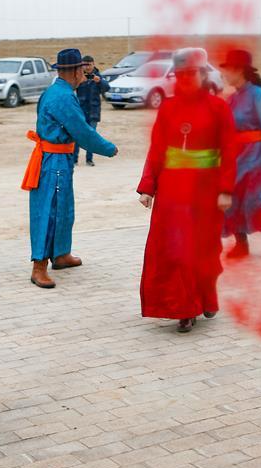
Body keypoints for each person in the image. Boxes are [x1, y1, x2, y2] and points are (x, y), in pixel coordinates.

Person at [137, 48, 237, 333]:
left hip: (205, 192)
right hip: (172, 192)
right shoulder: (168, 107)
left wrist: (226, 189)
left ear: (203, 74)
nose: (186, 79)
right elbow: (157, 150)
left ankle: (205, 296)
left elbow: (229, 152)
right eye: (181, 74)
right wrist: (148, 187)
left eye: (191, 73)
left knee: (203, 250)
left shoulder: (219, 108)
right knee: (176, 249)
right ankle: (185, 308)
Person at [22, 48, 118, 289]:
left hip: (60, 160)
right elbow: (82, 131)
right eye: (82, 71)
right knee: (50, 210)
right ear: (74, 71)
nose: (85, 76)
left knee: (64, 208)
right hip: (53, 161)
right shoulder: (62, 97)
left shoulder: (58, 91)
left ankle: (61, 254)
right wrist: (107, 148)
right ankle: (39, 267)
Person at [219, 49, 261, 258]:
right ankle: (241, 244)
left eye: (228, 70)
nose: (225, 74)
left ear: (239, 71)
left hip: (257, 156)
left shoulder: (259, 96)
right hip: (236, 156)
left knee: (255, 200)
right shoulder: (231, 99)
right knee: (232, 199)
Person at [74, 55, 109, 166]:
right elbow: (71, 88)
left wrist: (99, 82)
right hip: (80, 112)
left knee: (91, 136)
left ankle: (89, 159)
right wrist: (79, 81)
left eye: (89, 64)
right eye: (84, 64)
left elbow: (107, 88)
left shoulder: (98, 76)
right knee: (77, 135)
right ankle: (74, 159)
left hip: (93, 112)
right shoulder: (79, 76)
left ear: (93, 64)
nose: (87, 67)